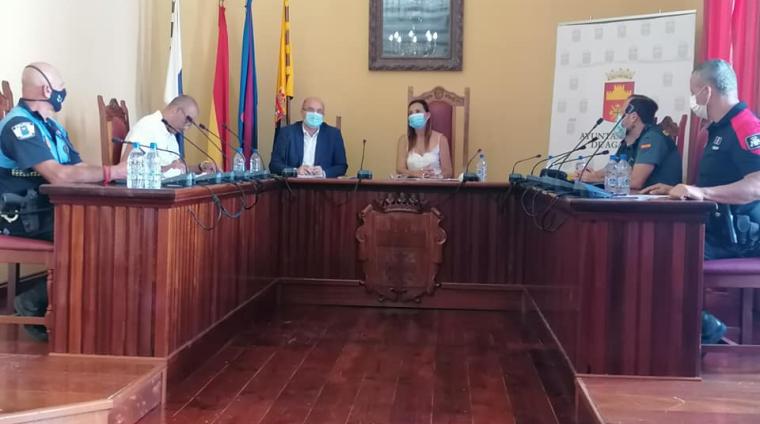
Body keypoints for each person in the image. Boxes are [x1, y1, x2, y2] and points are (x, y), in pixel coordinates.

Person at [0, 62, 127, 340]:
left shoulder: (53, 127)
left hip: (47, 209)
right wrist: (114, 171)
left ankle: (84, 315)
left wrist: (114, 175)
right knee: (101, 237)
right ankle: (34, 302)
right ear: (48, 90)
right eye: (61, 86)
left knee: (117, 230)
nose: (63, 91)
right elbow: (58, 175)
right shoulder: (19, 126)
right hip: (20, 215)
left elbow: (78, 169)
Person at [642, 59, 760, 344]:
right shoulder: (718, 128)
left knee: (661, 254)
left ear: (706, 91)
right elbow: (717, 182)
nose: (693, 100)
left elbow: (757, 185)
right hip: (715, 227)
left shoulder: (745, 126)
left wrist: (703, 193)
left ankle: (703, 329)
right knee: (649, 244)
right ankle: (686, 328)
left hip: (738, 236)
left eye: (693, 92)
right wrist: (683, 189)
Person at [577, 95, 682, 189]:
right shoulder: (628, 141)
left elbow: (635, 182)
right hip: (636, 198)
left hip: (659, 201)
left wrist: (595, 179)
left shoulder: (652, 138)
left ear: (633, 117)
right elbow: (611, 169)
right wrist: (590, 175)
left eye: (621, 114)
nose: (617, 120)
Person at [120, 95, 216, 175]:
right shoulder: (147, 125)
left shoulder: (170, 133)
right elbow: (125, 167)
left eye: (190, 125)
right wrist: (166, 168)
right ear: (175, 110)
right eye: (187, 121)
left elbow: (178, 170)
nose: (186, 128)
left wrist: (200, 167)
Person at [269, 97, 348, 177]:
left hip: (322, 183)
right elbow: (274, 165)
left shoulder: (333, 135)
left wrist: (324, 173)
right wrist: (295, 171)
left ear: (323, 115)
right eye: (310, 110)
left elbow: (342, 166)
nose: (315, 114)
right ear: (302, 112)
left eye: (319, 111)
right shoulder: (287, 133)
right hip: (294, 183)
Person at [396, 99, 453, 178]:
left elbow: (448, 172)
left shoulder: (441, 139)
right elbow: (400, 169)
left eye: (417, 111)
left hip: (436, 183)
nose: (413, 115)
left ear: (427, 115)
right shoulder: (404, 140)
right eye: (410, 113)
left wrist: (436, 177)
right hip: (411, 183)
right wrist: (415, 174)